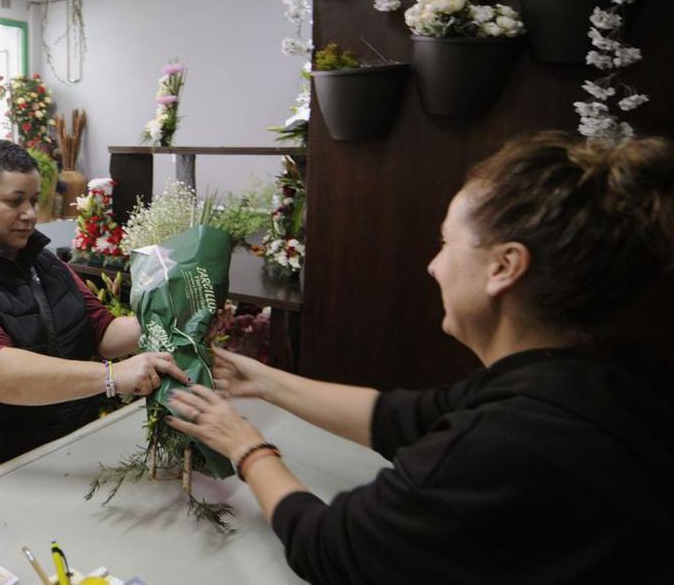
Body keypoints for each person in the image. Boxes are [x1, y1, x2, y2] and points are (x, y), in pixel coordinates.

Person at [165, 132, 674, 583]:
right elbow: (402, 418)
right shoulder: (587, 375)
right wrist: (263, 380)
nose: (433, 266)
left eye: (446, 243)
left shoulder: (512, 441)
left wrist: (247, 447)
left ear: (504, 266)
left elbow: (331, 548)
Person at [0, 139, 188, 498]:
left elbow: (102, 330)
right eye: (14, 201)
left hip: (57, 451)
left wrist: (174, 317)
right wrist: (112, 377)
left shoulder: (42, 261)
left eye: (34, 200)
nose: (30, 213)